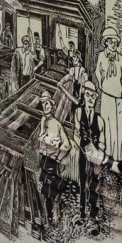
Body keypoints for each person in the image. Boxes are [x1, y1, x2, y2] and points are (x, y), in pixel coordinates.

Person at [34, 91, 71, 234]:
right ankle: (47, 221)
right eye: (43, 103)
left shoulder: (57, 124)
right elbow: (41, 138)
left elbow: (66, 145)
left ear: (52, 105)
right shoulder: (43, 120)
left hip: (53, 161)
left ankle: (56, 220)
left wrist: (57, 152)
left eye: (47, 103)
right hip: (45, 160)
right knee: (46, 191)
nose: (45, 106)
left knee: (55, 192)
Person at [94, 27, 122, 172]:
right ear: (106, 42)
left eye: (115, 41)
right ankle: (107, 156)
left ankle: (119, 158)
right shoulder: (102, 56)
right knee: (106, 125)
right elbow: (98, 71)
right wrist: (103, 85)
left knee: (119, 128)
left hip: (118, 99)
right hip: (106, 96)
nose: (113, 44)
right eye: (111, 41)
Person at [75, 80, 107, 228]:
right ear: (84, 95)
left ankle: (93, 217)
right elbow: (76, 134)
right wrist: (82, 149)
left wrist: (98, 160)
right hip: (83, 153)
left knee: (93, 185)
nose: (90, 98)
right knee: (83, 183)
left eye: (93, 96)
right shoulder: (79, 112)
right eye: (87, 95)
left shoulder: (100, 120)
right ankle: (82, 214)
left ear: (95, 99)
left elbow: (102, 144)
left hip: (94, 157)